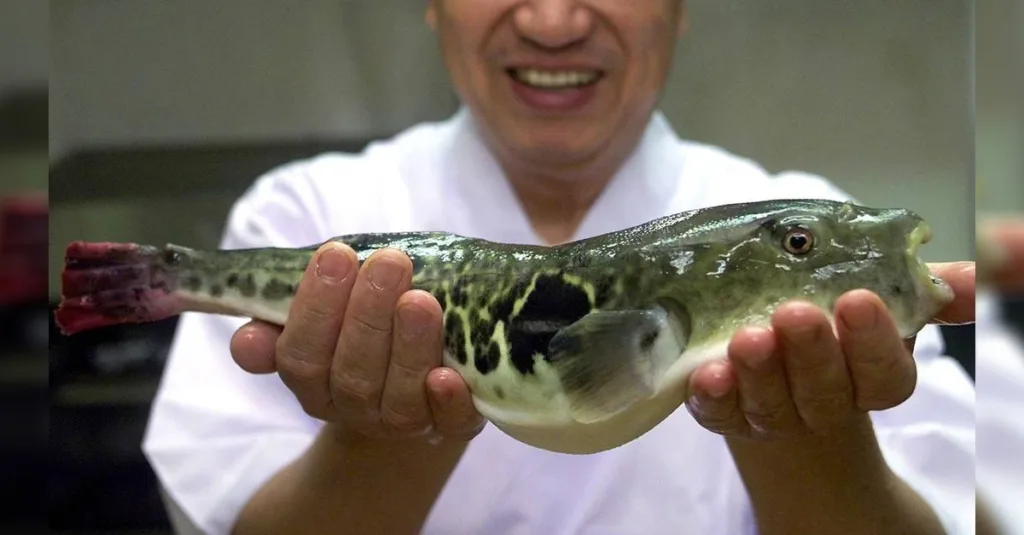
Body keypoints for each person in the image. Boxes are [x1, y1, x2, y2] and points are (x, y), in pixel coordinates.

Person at [141, 2, 978, 534]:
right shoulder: (303, 213)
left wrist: (807, 427)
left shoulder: (805, 206)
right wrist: (385, 427)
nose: (550, 20)